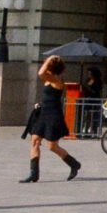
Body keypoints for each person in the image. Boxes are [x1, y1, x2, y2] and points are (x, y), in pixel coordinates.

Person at [20, 55, 82, 183]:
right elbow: (48, 95)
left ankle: (74, 164)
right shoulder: (49, 79)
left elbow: (40, 73)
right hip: (43, 113)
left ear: (50, 67)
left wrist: (49, 59)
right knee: (35, 141)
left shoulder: (56, 79)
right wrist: (40, 104)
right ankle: (34, 174)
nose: (44, 64)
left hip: (53, 115)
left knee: (52, 146)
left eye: (46, 64)